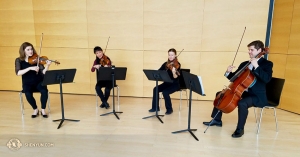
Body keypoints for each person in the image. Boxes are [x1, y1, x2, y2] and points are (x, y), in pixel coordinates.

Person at [203, 40, 273, 138]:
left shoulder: (267, 64)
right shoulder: (245, 63)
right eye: (249, 50)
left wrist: (256, 66)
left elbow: (267, 79)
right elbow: (235, 79)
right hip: (243, 92)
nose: (249, 52)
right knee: (220, 93)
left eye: (251, 50)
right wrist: (228, 72)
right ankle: (216, 120)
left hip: (257, 95)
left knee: (242, 103)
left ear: (260, 50)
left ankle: (240, 129)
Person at [15, 42, 52, 118]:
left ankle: (43, 110)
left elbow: (43, 72)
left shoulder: (37, 59)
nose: (30, 51)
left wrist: (47, 66)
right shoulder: (19, 60)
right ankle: (35, 109)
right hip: (27, 83)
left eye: (31, 49)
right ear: (23, 51)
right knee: (27, 93)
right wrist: (29, 68)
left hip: (39, 81)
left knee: (44, 91)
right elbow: (18, 73)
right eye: (28, 49)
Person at [149, 48, 181, 115]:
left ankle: (169, 109)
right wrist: (156, 72)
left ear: (175, 55)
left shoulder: (177, 65)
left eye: (172, 55)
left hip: (175, 84)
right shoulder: (166, 64)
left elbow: (176, 77)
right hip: (167, 83)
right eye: (169, 55)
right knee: (155, 89)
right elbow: (159, 72)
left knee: (165, 92)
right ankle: (155, 107)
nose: (170, 56)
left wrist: (174, 73)